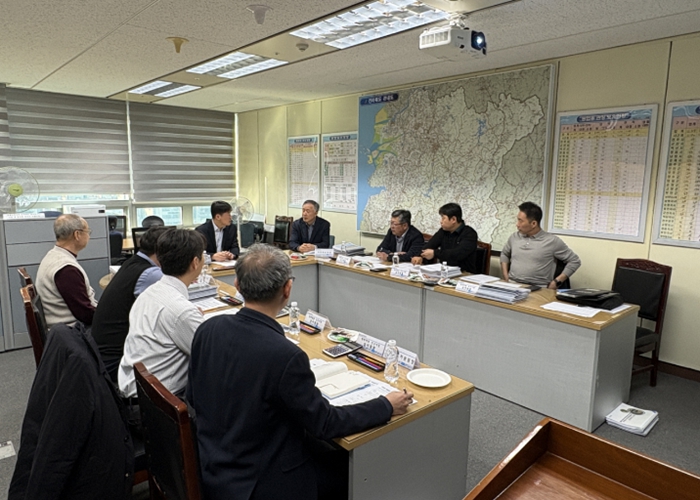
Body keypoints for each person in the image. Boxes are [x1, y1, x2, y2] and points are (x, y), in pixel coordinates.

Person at [187, 244, 413, 500]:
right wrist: (385, 405)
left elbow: (193, 397)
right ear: (287, 289)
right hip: (262, 483)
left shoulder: (208, 329)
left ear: (237, 284)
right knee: (354, 468)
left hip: (212, 466)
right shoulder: (285, 355)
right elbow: (325, 423)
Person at [117, 229, 205, 398]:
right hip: (163, 402)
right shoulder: (181, 311)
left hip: (135, 387)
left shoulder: (149, 293)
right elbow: (214, 356)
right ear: (195, 262)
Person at [92, 225, 169, 382]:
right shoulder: (151, 273)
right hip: (116, 359)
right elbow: (172, 309)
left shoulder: (132, 262)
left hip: (100, 349)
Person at [36, 214, 98, 329]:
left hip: (66, 328)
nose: (89, 236)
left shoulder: (53, 256)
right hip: (74, 331)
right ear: (77, 234)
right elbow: (85, 314)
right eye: (87, 231)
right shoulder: (66, 270)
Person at [500, 201, 581, 289]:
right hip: (513, 285)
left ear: (533, 224)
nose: (517, 224)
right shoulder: (514, 237)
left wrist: (557, 281)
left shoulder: (552, 241)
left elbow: (575, 261)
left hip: (538, 288)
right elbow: (505, 254)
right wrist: (506, 276)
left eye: (521, 221)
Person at [415, 203, 478, 273]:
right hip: (445, 272)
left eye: (443, 218)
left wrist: (435, 253)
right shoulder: (443, 231)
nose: (441, 221)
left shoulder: (469, 234)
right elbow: (430, 245)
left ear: (453, 219)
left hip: (464, 273)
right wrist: (419, 256)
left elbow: (457, 254)